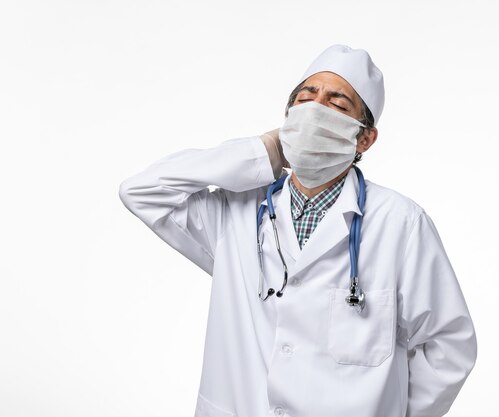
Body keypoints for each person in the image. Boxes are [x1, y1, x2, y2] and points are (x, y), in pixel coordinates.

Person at [119, 44, 477, 417]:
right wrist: (266, 151)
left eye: (337, 106)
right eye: (305, 99)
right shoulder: (234, 212)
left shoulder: (400, 223)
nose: (315, 110)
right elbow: (142, 190)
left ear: (364, 139)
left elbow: (449, 345)